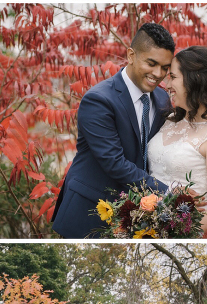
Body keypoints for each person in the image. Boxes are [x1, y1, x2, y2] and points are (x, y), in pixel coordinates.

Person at [52, 22, 174, 238]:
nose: (158, 73)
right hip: (90, 210)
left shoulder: (163, 99)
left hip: (137, 215)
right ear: (130, 55)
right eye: (152, 63)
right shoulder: (99, 100)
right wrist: (168, 192)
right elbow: (114, 162)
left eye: (165, 67)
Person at [147, 46, 207, 231]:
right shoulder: (172, 119)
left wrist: (184, 233)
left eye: (173, 77)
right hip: (147, 223)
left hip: (183, 229)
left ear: (194, 79)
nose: (167, 85)